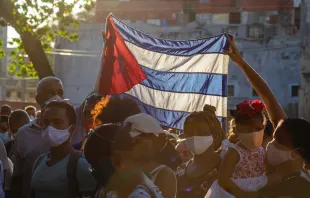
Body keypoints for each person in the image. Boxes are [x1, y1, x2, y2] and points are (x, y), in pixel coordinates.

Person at [207, 35, 310, 198]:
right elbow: (267, 97)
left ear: (297, 152)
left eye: (279, 142)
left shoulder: (299, 185)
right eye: (274, 138)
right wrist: (241, 63)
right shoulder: (282, 138)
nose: (270, 144)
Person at [11, 76, 65, 198]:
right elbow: (17, 176)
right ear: (38, 99)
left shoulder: (72, 130)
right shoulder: (24, 134)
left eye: (60, 92)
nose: (56, 97)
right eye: (50, 93)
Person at [31, 100, 96, 198]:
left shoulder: (80, 164)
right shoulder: (39, 161)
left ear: (72, 129)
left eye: (57, 122)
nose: (50, 128)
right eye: (46, 122)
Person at [84, 123, 163, 198]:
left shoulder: (139, 195)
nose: (94, 172)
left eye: (96, 165)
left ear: (117, 159)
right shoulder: (119, 192)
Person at [176, 105, 225, 198]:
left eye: (202, 133)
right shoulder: (180, 171)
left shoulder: (226, 169)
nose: (194, 137)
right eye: (189, 133)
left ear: (214, 136)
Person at [125, 113, 177, 198]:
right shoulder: (123, 169)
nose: (130, 145)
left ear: (152, 140)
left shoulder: (164, 174)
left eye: (135, 141)